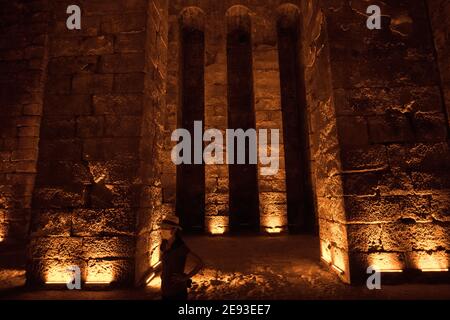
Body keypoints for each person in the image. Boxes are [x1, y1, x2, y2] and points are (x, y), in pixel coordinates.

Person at [151, 215, 204, 300]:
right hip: (165, 289)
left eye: (166, 228)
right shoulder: (164, 244)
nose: (162, 230)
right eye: (162, 227)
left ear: (174, 230)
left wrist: (185, 278)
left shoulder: (180, 247)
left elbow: (200, 263)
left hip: (177, 292)